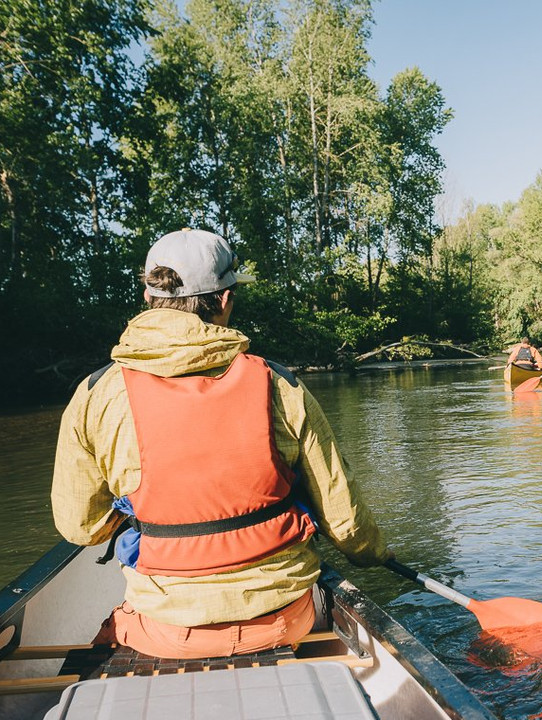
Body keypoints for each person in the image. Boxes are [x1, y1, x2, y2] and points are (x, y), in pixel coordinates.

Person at [51, 228, 392, 660]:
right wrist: (376, 554)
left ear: (148, 297)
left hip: (168, 632)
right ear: (225, 300)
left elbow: (79, 528)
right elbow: (345, 525)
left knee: (102, 642)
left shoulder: (95, 394)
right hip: (285, 619)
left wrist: (141, 514)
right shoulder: (279, 384)